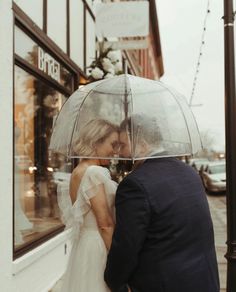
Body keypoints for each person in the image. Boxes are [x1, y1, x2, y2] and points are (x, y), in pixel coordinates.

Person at [104, 114, 219, 292]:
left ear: (142, 144)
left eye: (124, 145)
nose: (120, 152)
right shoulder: (189, 172)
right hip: (203, 280)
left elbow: (126, 247)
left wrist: (113, 282)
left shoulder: (135, 185)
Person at [56, 118, 119, 292]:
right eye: (112, 144)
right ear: (95, 142)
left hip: (84, 244)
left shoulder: (78, 170)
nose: (115, 151)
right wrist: (118, 259)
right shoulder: (93, 173)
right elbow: (105, 223)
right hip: (98, 245)